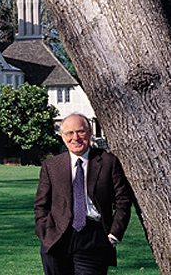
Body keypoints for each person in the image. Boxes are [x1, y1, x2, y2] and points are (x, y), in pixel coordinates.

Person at [34, 113, 133, 275]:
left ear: (90, 132)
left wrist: (114, 235)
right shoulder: (51, 166)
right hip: (56, 238)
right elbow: (41, 205)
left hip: (93, 238)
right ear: (62, 137)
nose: (76, 138)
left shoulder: (107, 161)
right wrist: (44, 231)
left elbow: (123, 200)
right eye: (69, 133)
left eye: (80, 131)